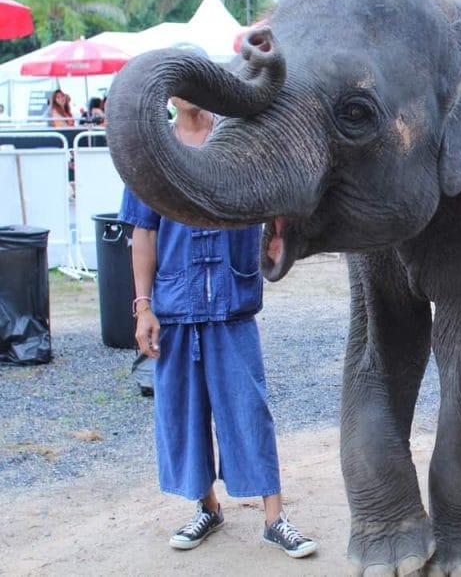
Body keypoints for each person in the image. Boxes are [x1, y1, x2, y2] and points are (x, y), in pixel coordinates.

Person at [120, 96, 318, 559]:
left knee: (249, 409)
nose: (188, 92)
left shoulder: (239, 141)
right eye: (179, 84)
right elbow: (143, 233)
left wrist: (278, 237)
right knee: (184, 412)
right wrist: (143, 307)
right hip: (176, 304)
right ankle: (206, 507)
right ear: (168, 94)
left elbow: (276, 202)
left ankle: (275, 519)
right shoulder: (153, 150)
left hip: (231, 302)